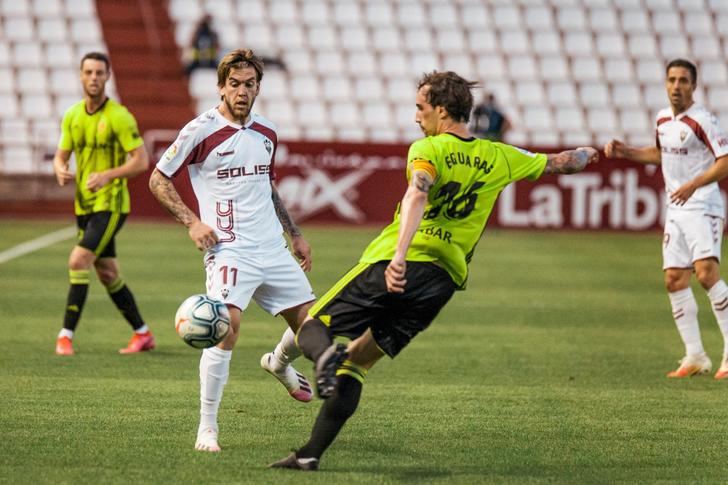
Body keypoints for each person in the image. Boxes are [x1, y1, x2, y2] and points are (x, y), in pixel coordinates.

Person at [269, 71, 599, 471]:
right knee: (357, 362)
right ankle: (308, 456)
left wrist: (399, 256)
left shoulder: (429, 149)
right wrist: (589, 152)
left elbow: (417, 193)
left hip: (398, 262)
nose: (415, 117)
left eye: (420, 108)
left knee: (312, 330)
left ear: (441, 110)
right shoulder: (499, 155)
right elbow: (564, 163)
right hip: (441, 281)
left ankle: (322, 360)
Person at [149, 48, 317, 453]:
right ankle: (207, 429)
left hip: (272, 248)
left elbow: (267, 185)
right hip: (229, 250)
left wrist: (294, 234)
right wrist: (193, 222)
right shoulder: (200, 130)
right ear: (221, 86)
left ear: (258, 87)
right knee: (225, 328)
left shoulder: (267, 133)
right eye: (235, 84)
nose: (242, 91)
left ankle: (278, 362)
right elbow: (158, 179)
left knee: (312, 330)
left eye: (250, 84)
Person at [604, 58, 728, 379]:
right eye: (672, 80)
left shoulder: (703, 121)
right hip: (677, 209)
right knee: (674, 279)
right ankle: (695, 356)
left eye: (683, 81)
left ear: (694, 86)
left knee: (706, 274)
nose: (676, 86)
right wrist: (625, 151)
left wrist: (693, 184)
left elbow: (725, 162)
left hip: (703, 204)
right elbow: (660, 153)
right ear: (665, 83)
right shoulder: (662, 119)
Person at [52, 52, 154, 356]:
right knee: (107, 273)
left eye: (99, 72)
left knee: (77, 261)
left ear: (107, 76)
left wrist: (109, 175)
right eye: (89, 72)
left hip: (111, 205)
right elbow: (62, 153)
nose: (94, 77)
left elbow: (141, 161)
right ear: (81, 76)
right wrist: (59, 167)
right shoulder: (73, 115)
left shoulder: (119, 116)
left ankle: (65, 336)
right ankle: (143, 333)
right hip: (83, 206)